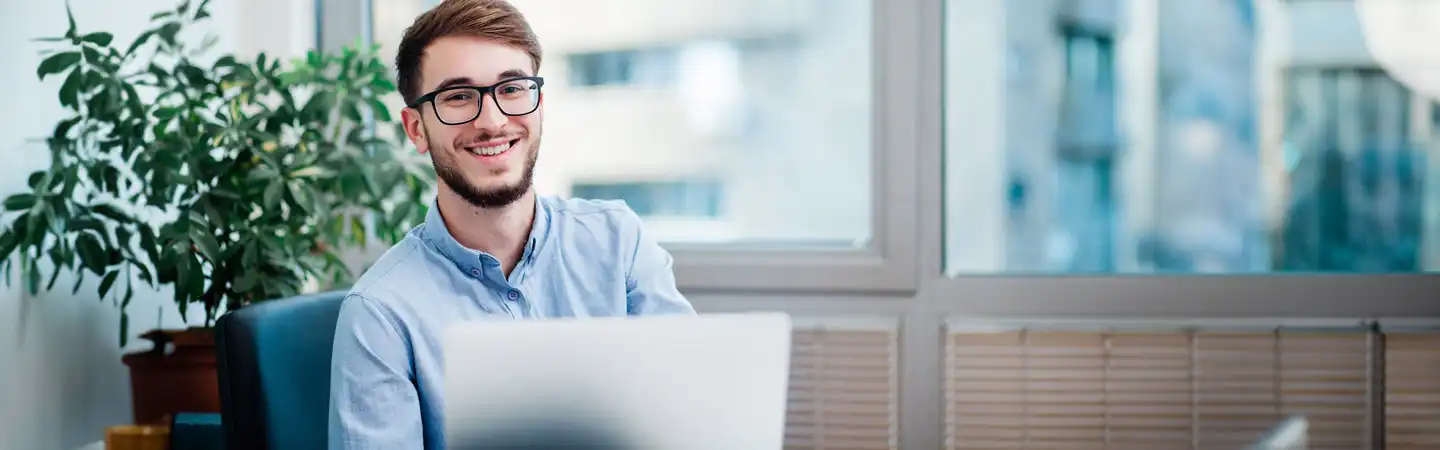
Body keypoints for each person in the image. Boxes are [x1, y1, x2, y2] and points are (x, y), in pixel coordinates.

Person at [326, 0, 696, 448]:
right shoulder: (380, 313)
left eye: (513, 89)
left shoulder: (619, 242)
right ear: (416, 129)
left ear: (538, 103)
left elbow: (689, 419)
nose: (493, 121)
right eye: (459, 97)